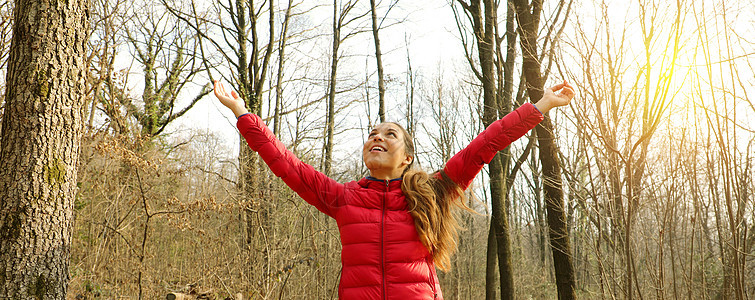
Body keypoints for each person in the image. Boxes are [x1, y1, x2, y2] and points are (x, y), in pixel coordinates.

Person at [214, 80, 574, 299]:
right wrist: (243, 114)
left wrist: (539, 106)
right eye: (372, 133)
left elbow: (485, 144)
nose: (377, 137)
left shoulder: (433, 191)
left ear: (406, 158)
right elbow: (286, 164)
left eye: (390, 134)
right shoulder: (344, 199)